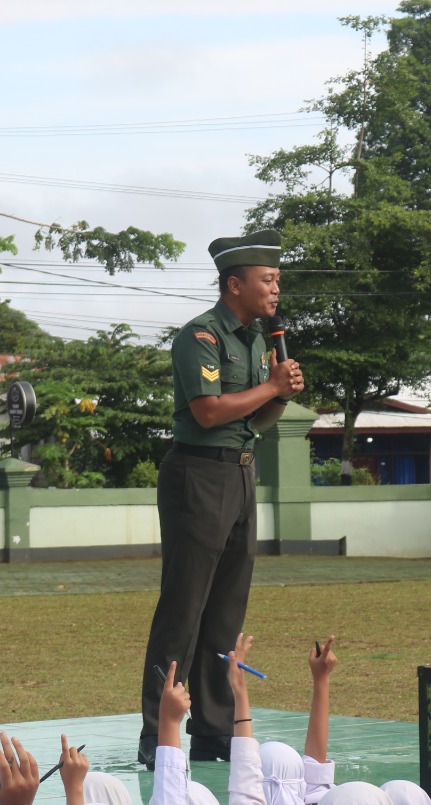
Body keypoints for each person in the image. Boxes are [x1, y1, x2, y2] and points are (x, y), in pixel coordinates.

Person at [138, 229, 305, 766]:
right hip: (198, 476)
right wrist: (271, 387)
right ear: (235, 284)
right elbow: (208, 412)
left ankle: (212, 731)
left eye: (277, 280)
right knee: (183, 611)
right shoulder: (201, 337)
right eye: (267, 279)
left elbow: (255, 420)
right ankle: (157, 734)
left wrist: (281, 394)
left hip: (240, 474)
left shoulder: (258, 340)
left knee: (226, 613)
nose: (275, 289)